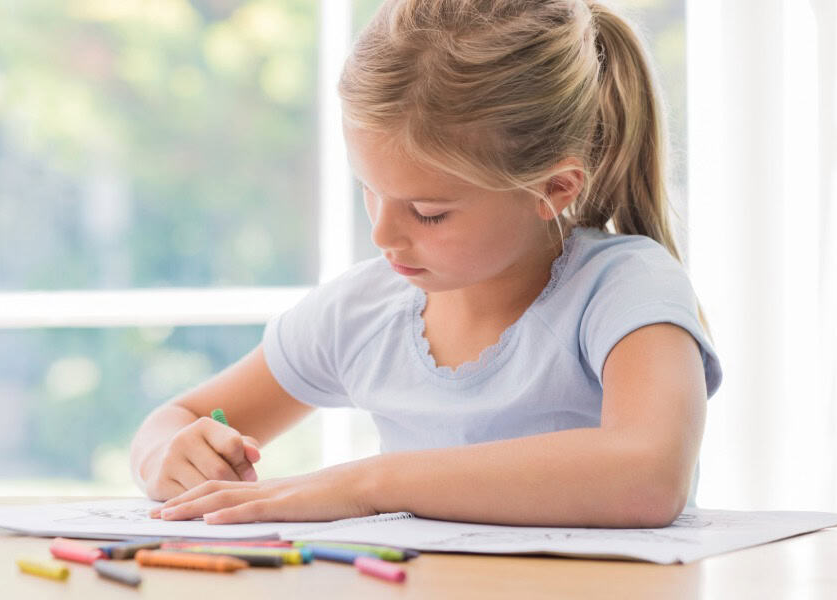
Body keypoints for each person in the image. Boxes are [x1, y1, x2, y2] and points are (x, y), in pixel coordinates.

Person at [130, 0, 722, 528]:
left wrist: (367, 485)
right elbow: (176, 416)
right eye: (369, 190)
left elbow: (648, 477)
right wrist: (169, 455)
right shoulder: (361, 311)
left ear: (554, 189)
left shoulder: (626, 289)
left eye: (428, 212)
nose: (382, 235)